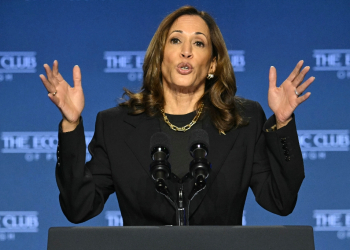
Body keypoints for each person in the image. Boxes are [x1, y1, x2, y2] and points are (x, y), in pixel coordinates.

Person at [40, 6, 314, 226]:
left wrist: (283, 123)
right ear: (160, 57)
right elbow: (79, 207)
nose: (186, 50)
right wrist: (71, 124)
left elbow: (280, 201)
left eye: (198, 42)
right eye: (176, 40)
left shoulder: (244, 121)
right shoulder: (115, 125)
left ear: (213, 64)